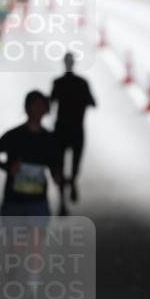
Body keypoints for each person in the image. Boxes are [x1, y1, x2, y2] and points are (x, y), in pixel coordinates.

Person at [0, 92, 62, 299]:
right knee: (17, 248)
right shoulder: (14, 136)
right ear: (27, 108)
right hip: (14, 202)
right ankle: (14, 264)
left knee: (35, 249)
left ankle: (32, 296)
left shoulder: (49, 139)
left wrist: (57, 176)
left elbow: (55, 163)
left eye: (42, 106)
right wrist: (8, 168)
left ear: (46, 110)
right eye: (34, 106)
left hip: (38, 203)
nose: (38, 110)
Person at [50, 52, 96, 213]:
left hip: (61, 128)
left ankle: (62, 201)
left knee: (60, 164)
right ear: (74, 64)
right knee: (75, 163)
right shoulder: (82, 83)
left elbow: (50, 104)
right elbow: (93, 103)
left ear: (64, 64)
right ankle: (73, 181)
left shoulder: (58, 82)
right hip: (77, 128)